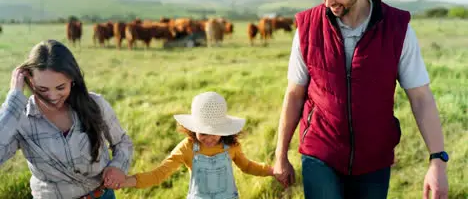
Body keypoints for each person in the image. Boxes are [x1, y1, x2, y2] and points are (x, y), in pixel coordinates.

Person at [273, 0, 449, 199]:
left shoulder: (397, 29)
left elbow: (420, 97)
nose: (328, 2)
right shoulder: (307, 27)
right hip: (320, 152)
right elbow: (294, 94)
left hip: (374, 159)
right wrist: (281, 155)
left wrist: (437, 160)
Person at [0, 40, 133, 199]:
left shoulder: (95, 104)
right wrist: (13, 102)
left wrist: (118, 167)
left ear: (73, 79)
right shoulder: (19, 118)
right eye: (43, 89)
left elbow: (122, 142)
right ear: (29, 80)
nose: (53, 96)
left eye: (61, 87)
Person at [115, 91, 280, 198]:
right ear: (193, 129)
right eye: (203, 133)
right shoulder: (187, 148)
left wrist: (272, 171)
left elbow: (247, 166)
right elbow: (160, 174)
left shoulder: (232, 146)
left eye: (214, 132)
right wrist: (127, 180)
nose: (209, 138)